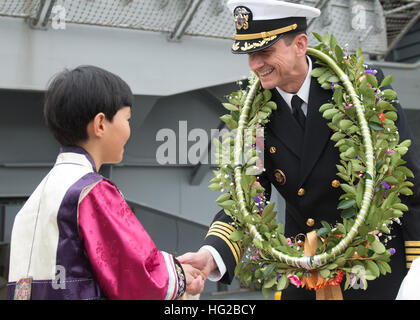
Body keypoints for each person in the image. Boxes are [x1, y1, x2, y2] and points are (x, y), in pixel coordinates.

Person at [178, 0, 420, 299]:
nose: (255, 64)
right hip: (304, 267)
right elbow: (246, 200)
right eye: (249, 54)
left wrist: (416, 262)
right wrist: (211, 255)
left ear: (300, 44)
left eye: (265, 52)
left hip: (372, 264)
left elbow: (405, 179)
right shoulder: (252, 116)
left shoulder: (361, 89)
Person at [7, 65, 204, 300]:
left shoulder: (35, 201)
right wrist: (180, 276)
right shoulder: (91, 191)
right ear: (100, 124)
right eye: (127, 118)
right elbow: (136, 273)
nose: (129, 128)